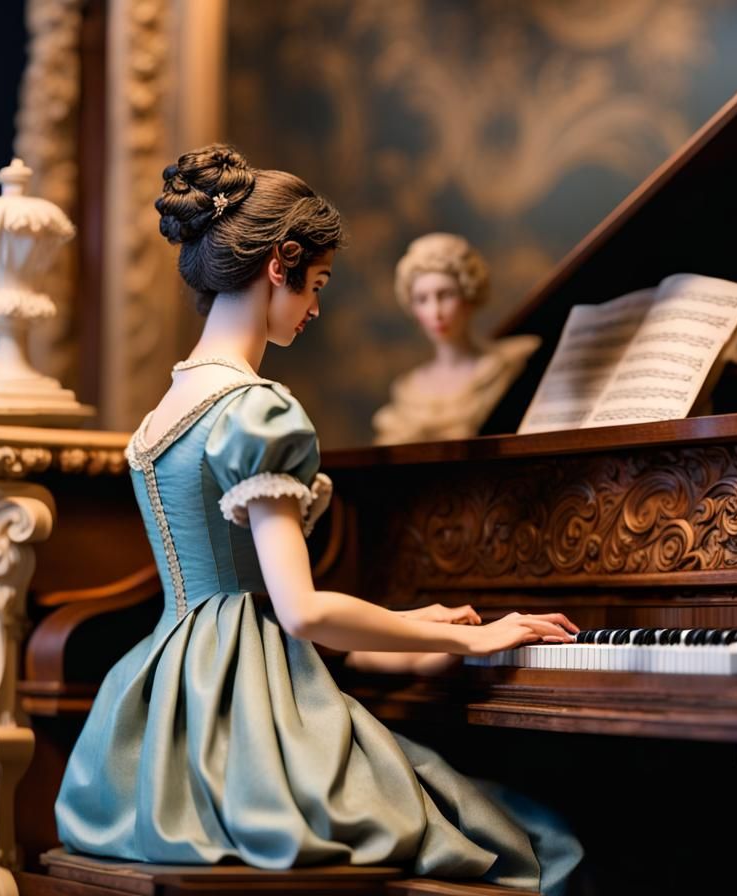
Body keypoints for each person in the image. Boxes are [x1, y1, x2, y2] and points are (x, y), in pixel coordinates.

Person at [54, 144, 583, 896]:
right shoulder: (256, 410)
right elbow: (298, 612)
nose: (316, 306)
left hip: (157, 728)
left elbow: (252, 605)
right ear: (281, 263)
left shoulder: (159, 419)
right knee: (538, 844)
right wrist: (470, 635)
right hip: (251, 735)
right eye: (318, 283)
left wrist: (404, 626)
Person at [371, 232, 540, 445]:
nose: (435, 312)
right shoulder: (408, 391)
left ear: (469, 295)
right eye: (422, 299)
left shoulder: (506, 366)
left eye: (446, 295)